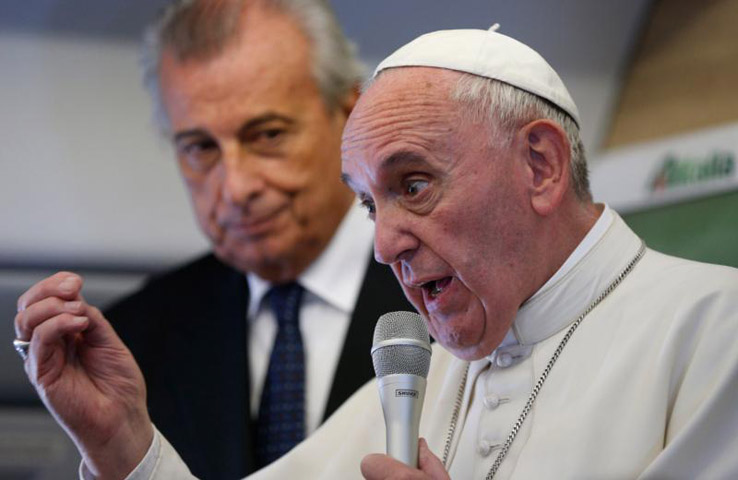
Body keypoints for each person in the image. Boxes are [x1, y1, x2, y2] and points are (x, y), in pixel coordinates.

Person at [14, 25, 738, 480]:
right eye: (368, 201)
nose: (384, 242)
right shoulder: (417, 383)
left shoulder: (715, 332)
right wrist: (124, 448)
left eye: (413, 184)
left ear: (541, 166)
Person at [16, 1, 412, 479]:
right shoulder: (135, 341)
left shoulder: (451, 297)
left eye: (267, 134)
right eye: (201, 148)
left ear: (350, 114)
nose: (237, 187)